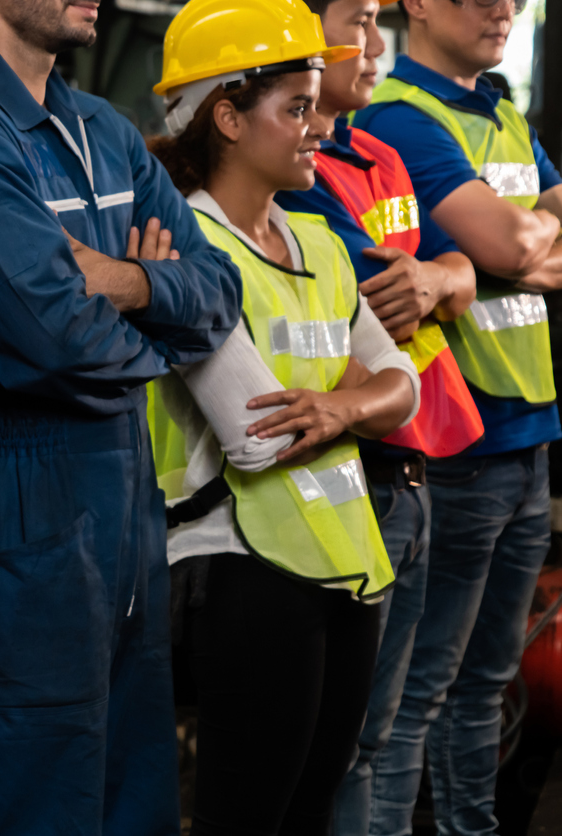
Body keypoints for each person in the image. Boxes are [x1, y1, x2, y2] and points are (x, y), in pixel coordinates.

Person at [0, 0, 243, 827]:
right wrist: (159, 335)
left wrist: (125, 282)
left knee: (131, 795)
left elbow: (220, 291)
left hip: (120, 501)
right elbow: (50, 339)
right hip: (15, 501)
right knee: (25, 799)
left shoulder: (102, 130)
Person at [147, 0, 423, 830]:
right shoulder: (187, 245)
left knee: (306, 811)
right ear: (225, 117)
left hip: (340, 559)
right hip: (236, 567)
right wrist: (359, 403)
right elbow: (257, 439)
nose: (316, 127)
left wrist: (338, 404)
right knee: (248, 815)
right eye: (295, 107)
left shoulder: (320, 244)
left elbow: (400, 384)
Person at [350, 0, 562, 827]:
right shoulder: (405, 117)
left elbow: (512, 244)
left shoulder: (501, 113)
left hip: (529, 438)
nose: (500, 8)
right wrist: (523, 243)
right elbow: (512, 247)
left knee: (484, 687)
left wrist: (515, 242)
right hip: (458, 446)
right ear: (418, 5)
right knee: (416, 700)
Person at [272, 0, 480, 829]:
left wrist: (441, 278)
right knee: (342, 744)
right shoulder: (293, 186)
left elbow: (445, 271)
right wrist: (442, 279)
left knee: (390, 731)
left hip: (416, 463)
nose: (372, 42)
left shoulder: (380, 154)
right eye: (355, 19)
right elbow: (382, 294)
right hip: (350, 477)